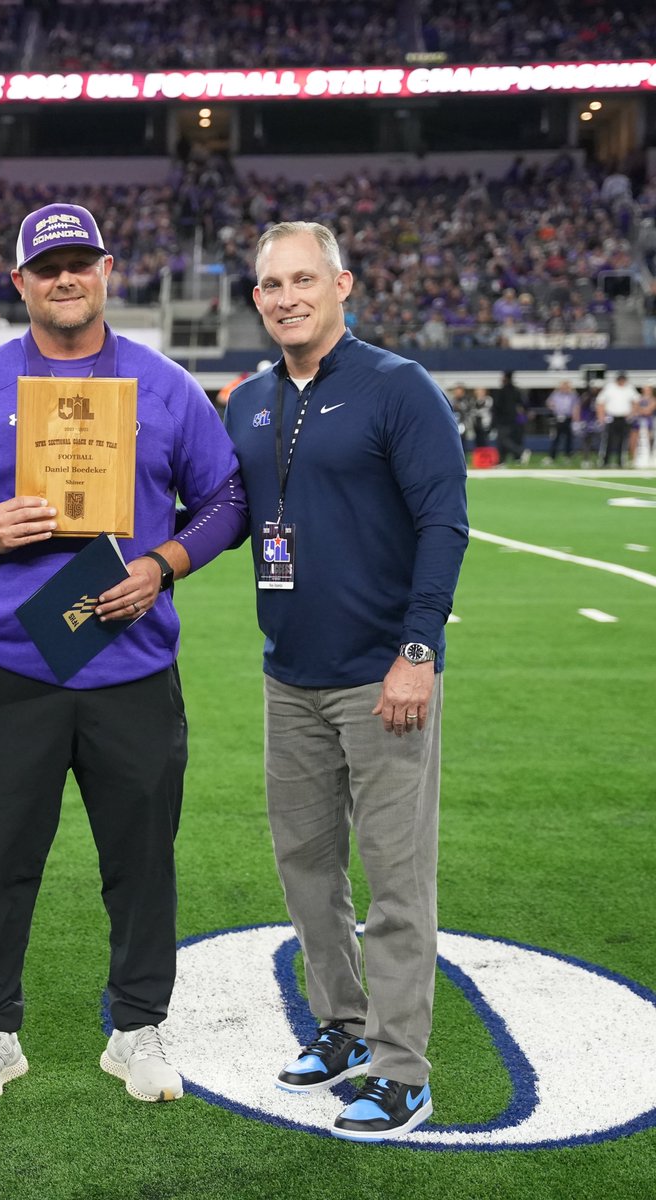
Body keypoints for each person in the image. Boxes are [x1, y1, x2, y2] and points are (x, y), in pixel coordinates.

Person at [0, 202, 247, 1105]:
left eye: (80, 263)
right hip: (17, 665)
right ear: (20, 282)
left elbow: (227, 501)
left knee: (141, 858)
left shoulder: (165, 386)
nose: (65, 278)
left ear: (107, 274)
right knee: (2, 855)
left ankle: (137, 1024)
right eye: (47, 266)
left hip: (132, 663)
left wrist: (165, 562)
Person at [223, 221, 468, 1143]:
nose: (287, 297)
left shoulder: (399, 388)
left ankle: (403, 1072)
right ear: (256, 299)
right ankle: (341, 1024)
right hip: (288, 675)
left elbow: (444, 522)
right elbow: (220, 514)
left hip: (381, 676)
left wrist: (418, 651)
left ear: (342, 285)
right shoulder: (246, 402)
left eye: (303, 281)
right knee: (307, 868)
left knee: (397, 881)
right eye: (271, 285)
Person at [597, 371, 639, 467]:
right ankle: (605, 462)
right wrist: (601, 417)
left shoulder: (629, 388)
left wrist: (632, 414)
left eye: (623, 379)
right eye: (620, 379)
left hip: (624, 418)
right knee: (609, 440)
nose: (621, 381)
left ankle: (620, 462)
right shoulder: (609, 387)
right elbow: (600, 402)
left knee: (623, 440)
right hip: (611, 417)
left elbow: (636, 401)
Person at [492, 370, 527, 464]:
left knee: (503, 440)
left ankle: (520, 451)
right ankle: (502, 460)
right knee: (504, 439)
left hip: (503, 420)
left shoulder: (502, 391)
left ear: (505, 378)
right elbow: (522, 405)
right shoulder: (516, 390)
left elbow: (497, 406)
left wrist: (494, 420)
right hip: (514, 420)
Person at [545, 379, 579, 462]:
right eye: (563, 386)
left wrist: (576, 421)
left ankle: (568, 456)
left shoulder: (573, 395)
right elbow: (549, 403)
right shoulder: (556, 394)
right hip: (558, 418)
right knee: (555, 438)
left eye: (566, 386)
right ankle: (552, 456)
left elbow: (576, 407)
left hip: (568, 418)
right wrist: (551, 406)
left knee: (569, 438)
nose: (564, 388)